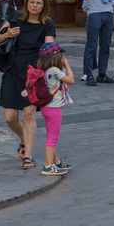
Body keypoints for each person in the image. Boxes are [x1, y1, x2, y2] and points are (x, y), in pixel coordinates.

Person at [0, 0, 55, 170]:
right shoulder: (16, 17)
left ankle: (28, 156)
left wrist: (51, 59)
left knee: (29, 115)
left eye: (39, 3)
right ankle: (23, 139)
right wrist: (8, 34)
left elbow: (49, 46)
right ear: (27, 3)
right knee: (10, 118)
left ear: (44, 6)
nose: (35, 6)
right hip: (13, 69)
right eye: (32, 2)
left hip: (33, 72)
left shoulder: (47, 24)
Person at [36, 42, 74, 176]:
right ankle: (48, 166)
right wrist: (67, 66)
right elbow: (71, 80)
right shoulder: (55, 70)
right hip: (54, 108)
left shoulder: (43, 69)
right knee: (53, 137)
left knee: (50, 135)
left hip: (46, 107)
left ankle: (56, 161)